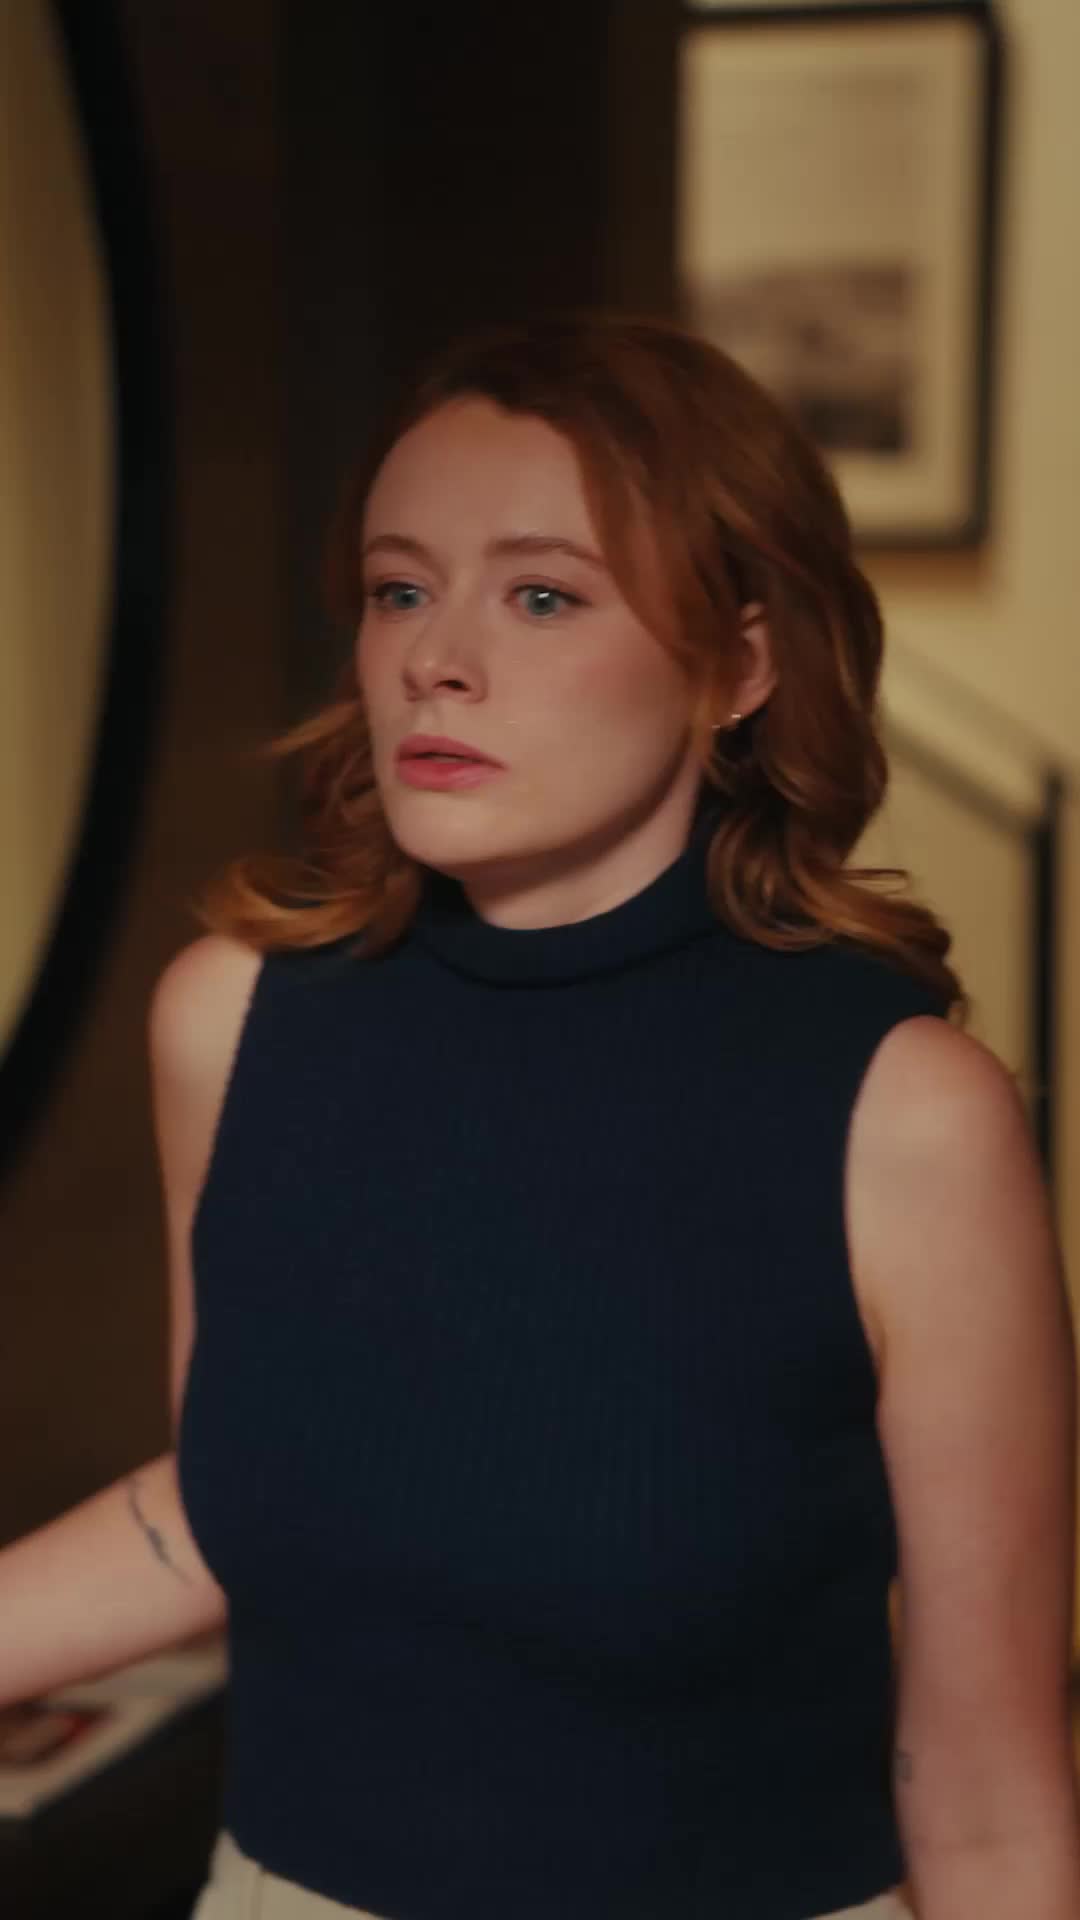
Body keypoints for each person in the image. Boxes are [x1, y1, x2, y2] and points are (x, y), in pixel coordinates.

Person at [3, 311, 1078, 1920]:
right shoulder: (230, 1023)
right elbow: (234, 1502)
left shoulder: (904, 1119)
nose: (435, 657)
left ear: (738, 664)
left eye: (543, 595)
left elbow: (988, 1801)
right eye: (400, 588)